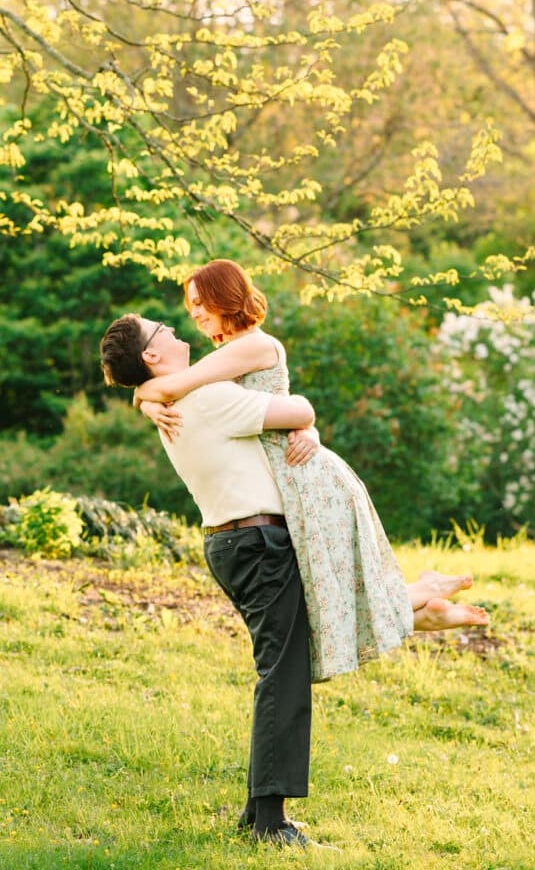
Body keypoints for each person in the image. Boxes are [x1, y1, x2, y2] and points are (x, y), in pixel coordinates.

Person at [100, 314, 488, 849]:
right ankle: (270, 824)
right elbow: (298, 409)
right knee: (283, 676)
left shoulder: (172, 402)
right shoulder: (206, 399)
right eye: (160, 328)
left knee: (284, 667)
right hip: (256, 542)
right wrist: (305, 423)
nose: (171, 328)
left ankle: (259, 811)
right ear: (150, 354)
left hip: (238, 542)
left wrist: (145, 394)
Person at [132, 259, 488, 687]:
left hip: (308, 478)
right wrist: (146, 400)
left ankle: (420, 598)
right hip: (292, 477)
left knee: (328, 591)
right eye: (191, 309)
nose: (194, 315)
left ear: (224, 296)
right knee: (324, 600)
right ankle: (421, 606)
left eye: (199, 304)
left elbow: (174, 385)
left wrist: (144, 397)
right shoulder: (226, 355)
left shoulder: (251, 346)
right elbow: (188, 389)